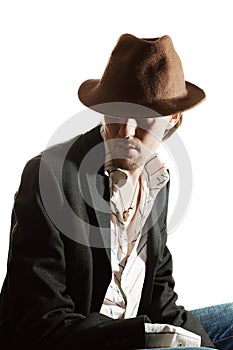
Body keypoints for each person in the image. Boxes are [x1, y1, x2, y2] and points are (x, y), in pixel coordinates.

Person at [0, 33, 232, 350]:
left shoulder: (158, 184)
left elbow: (160, 294)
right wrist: (140, 335)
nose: (126, 132)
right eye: (117, 114)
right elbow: (39, 323)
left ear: (173, 120)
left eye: (144, 120)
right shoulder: (49, 177)